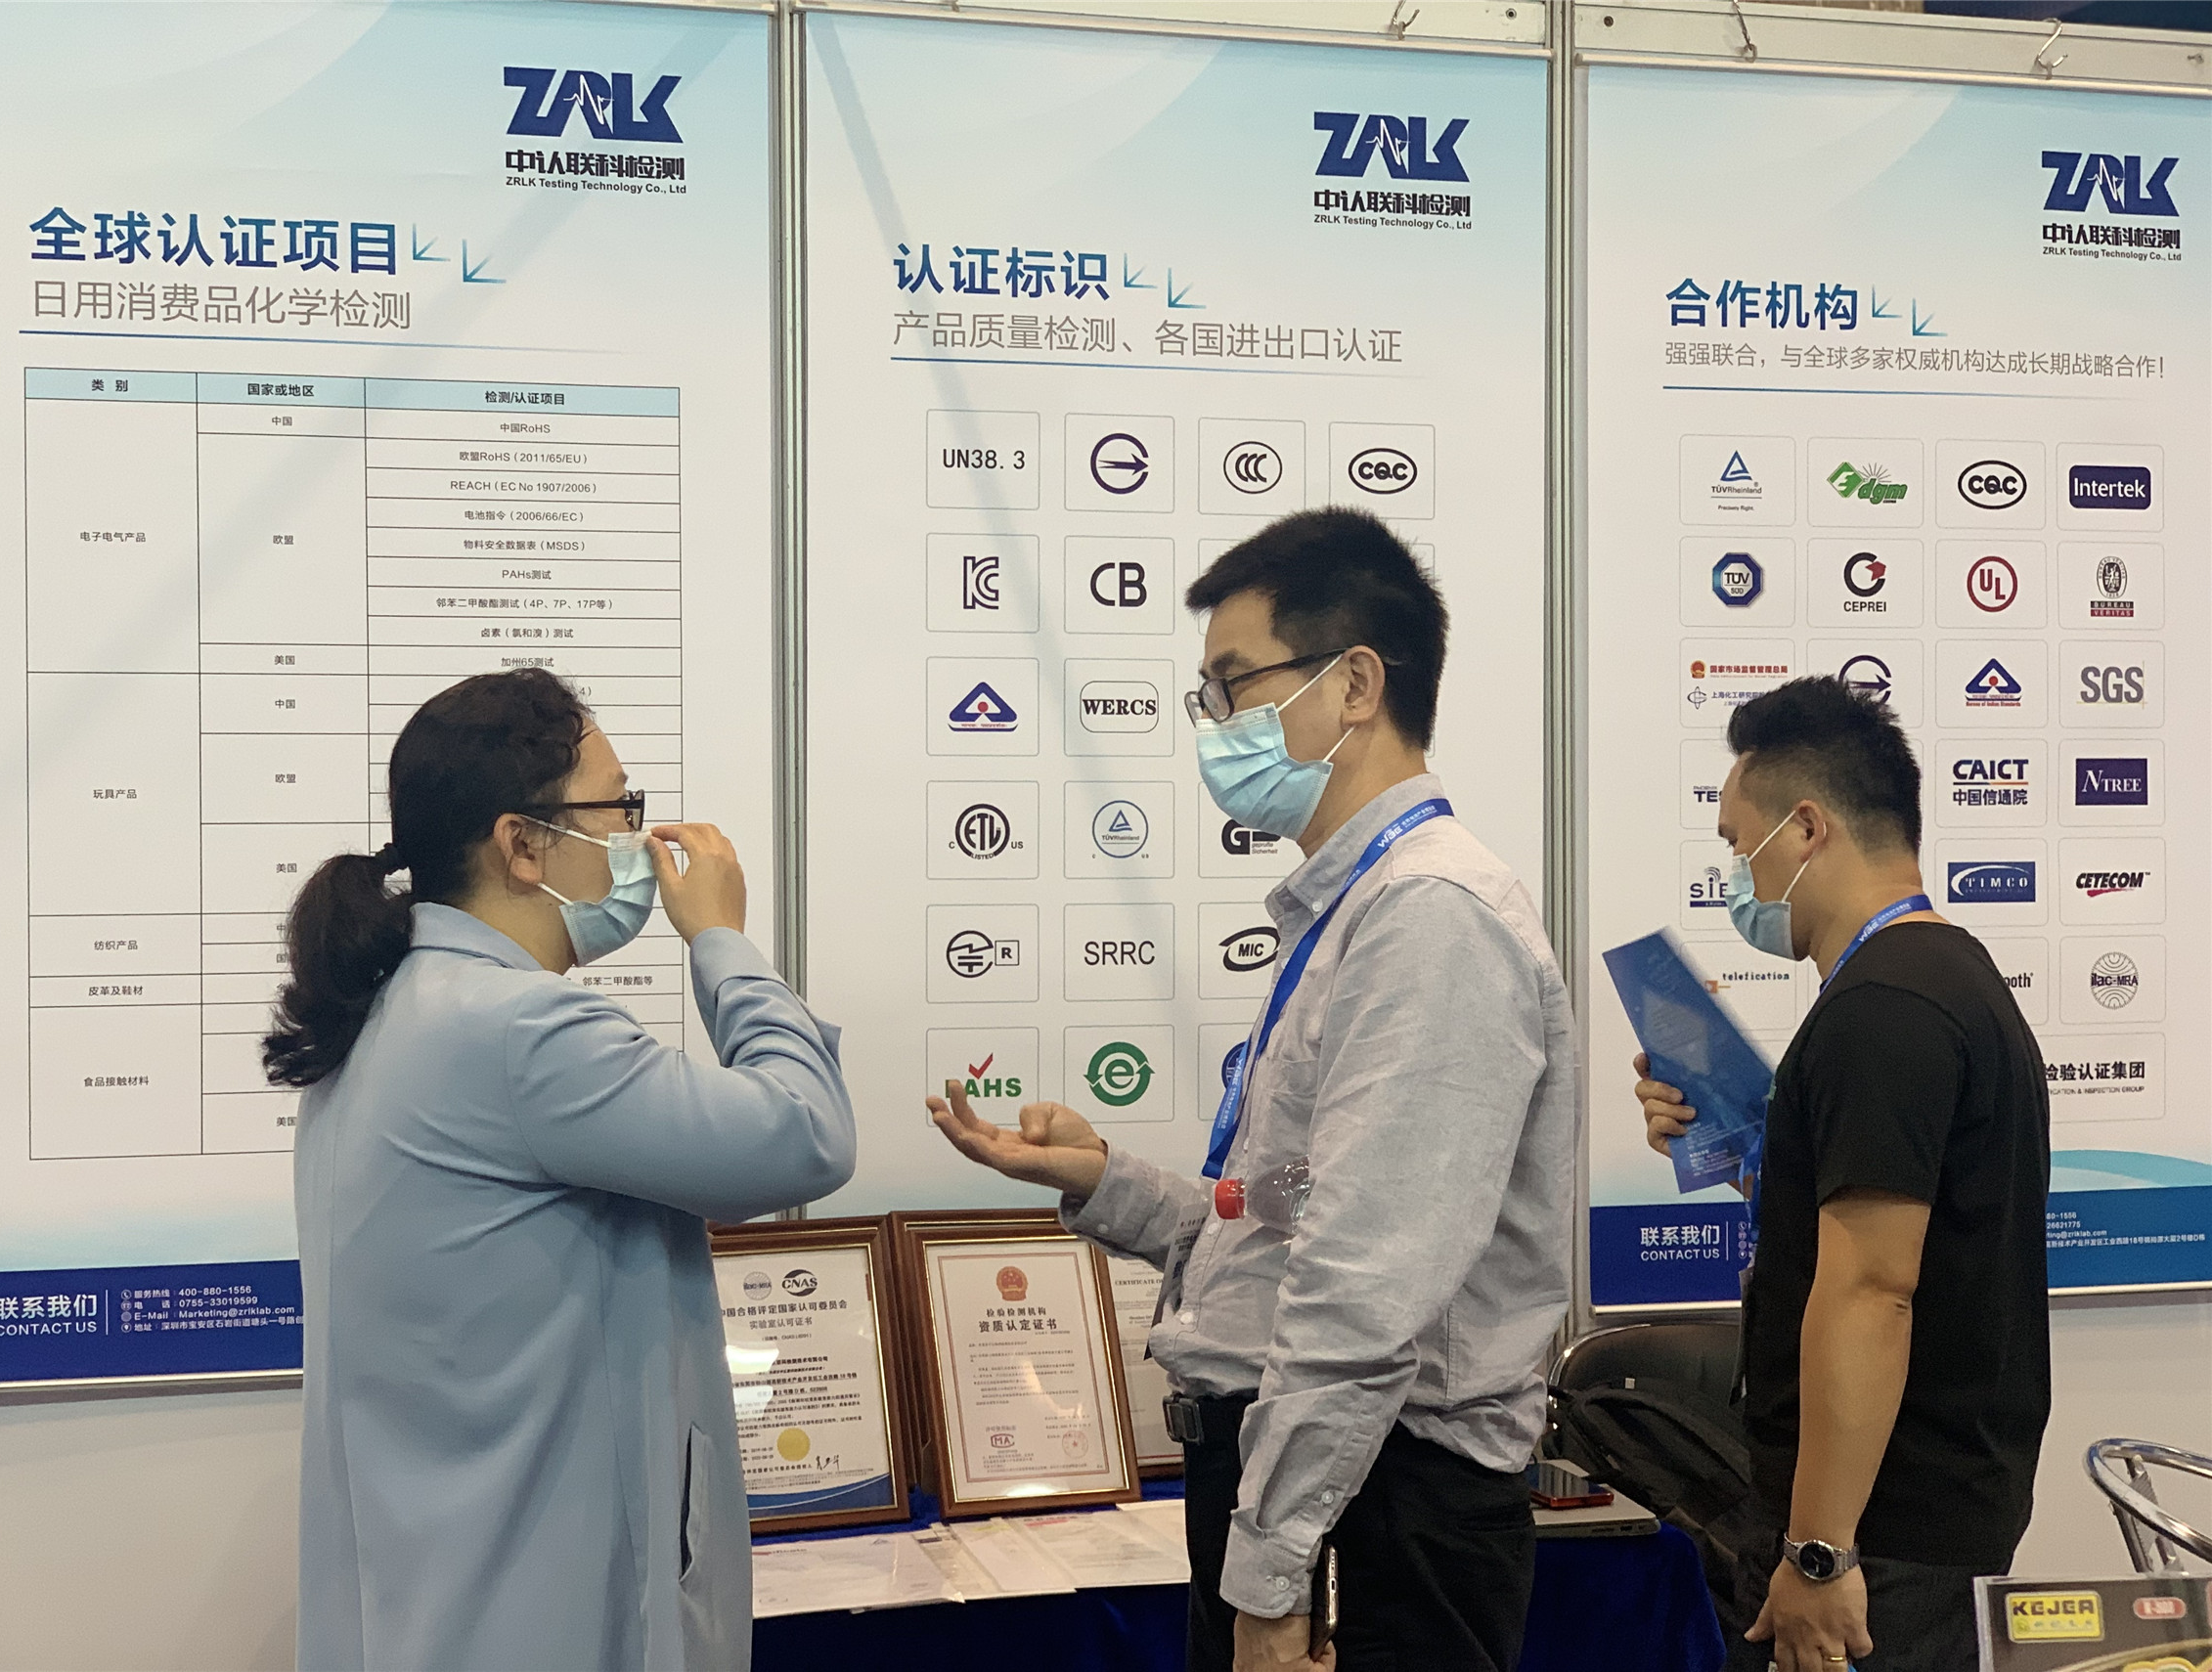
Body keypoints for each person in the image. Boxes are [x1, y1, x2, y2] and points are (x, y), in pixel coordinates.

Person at [929, 508, 1576, 1672]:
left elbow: (1364, 1291)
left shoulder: (1430, 918)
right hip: (1324, 1492)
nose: (1215, 724)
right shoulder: (1357, 907)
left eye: (1234, 685)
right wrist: (1110, 1183)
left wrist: (1275, 1581)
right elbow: (1291, 1219)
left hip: (1376, 1508)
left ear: (1355, 684)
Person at [268, 668, 855, 1672]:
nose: (638, 837)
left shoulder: (386, 1013)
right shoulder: (519, 1030)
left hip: (439, 1603)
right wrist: (721, 939)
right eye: (618, 807)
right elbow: (804, 1135)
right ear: (523, 844)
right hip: (537, 1613)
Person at [1632, 676, 2051, 1672]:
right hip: (1912, 1523)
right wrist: (1745, 1152)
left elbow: (1872, 1289)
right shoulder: (1943, 978)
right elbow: (1898, 1224)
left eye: (1739, 844)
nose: (1735, 874)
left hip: (1879, 1540)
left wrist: (1819, 1554)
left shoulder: (1884, 1011)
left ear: (1807, 828)